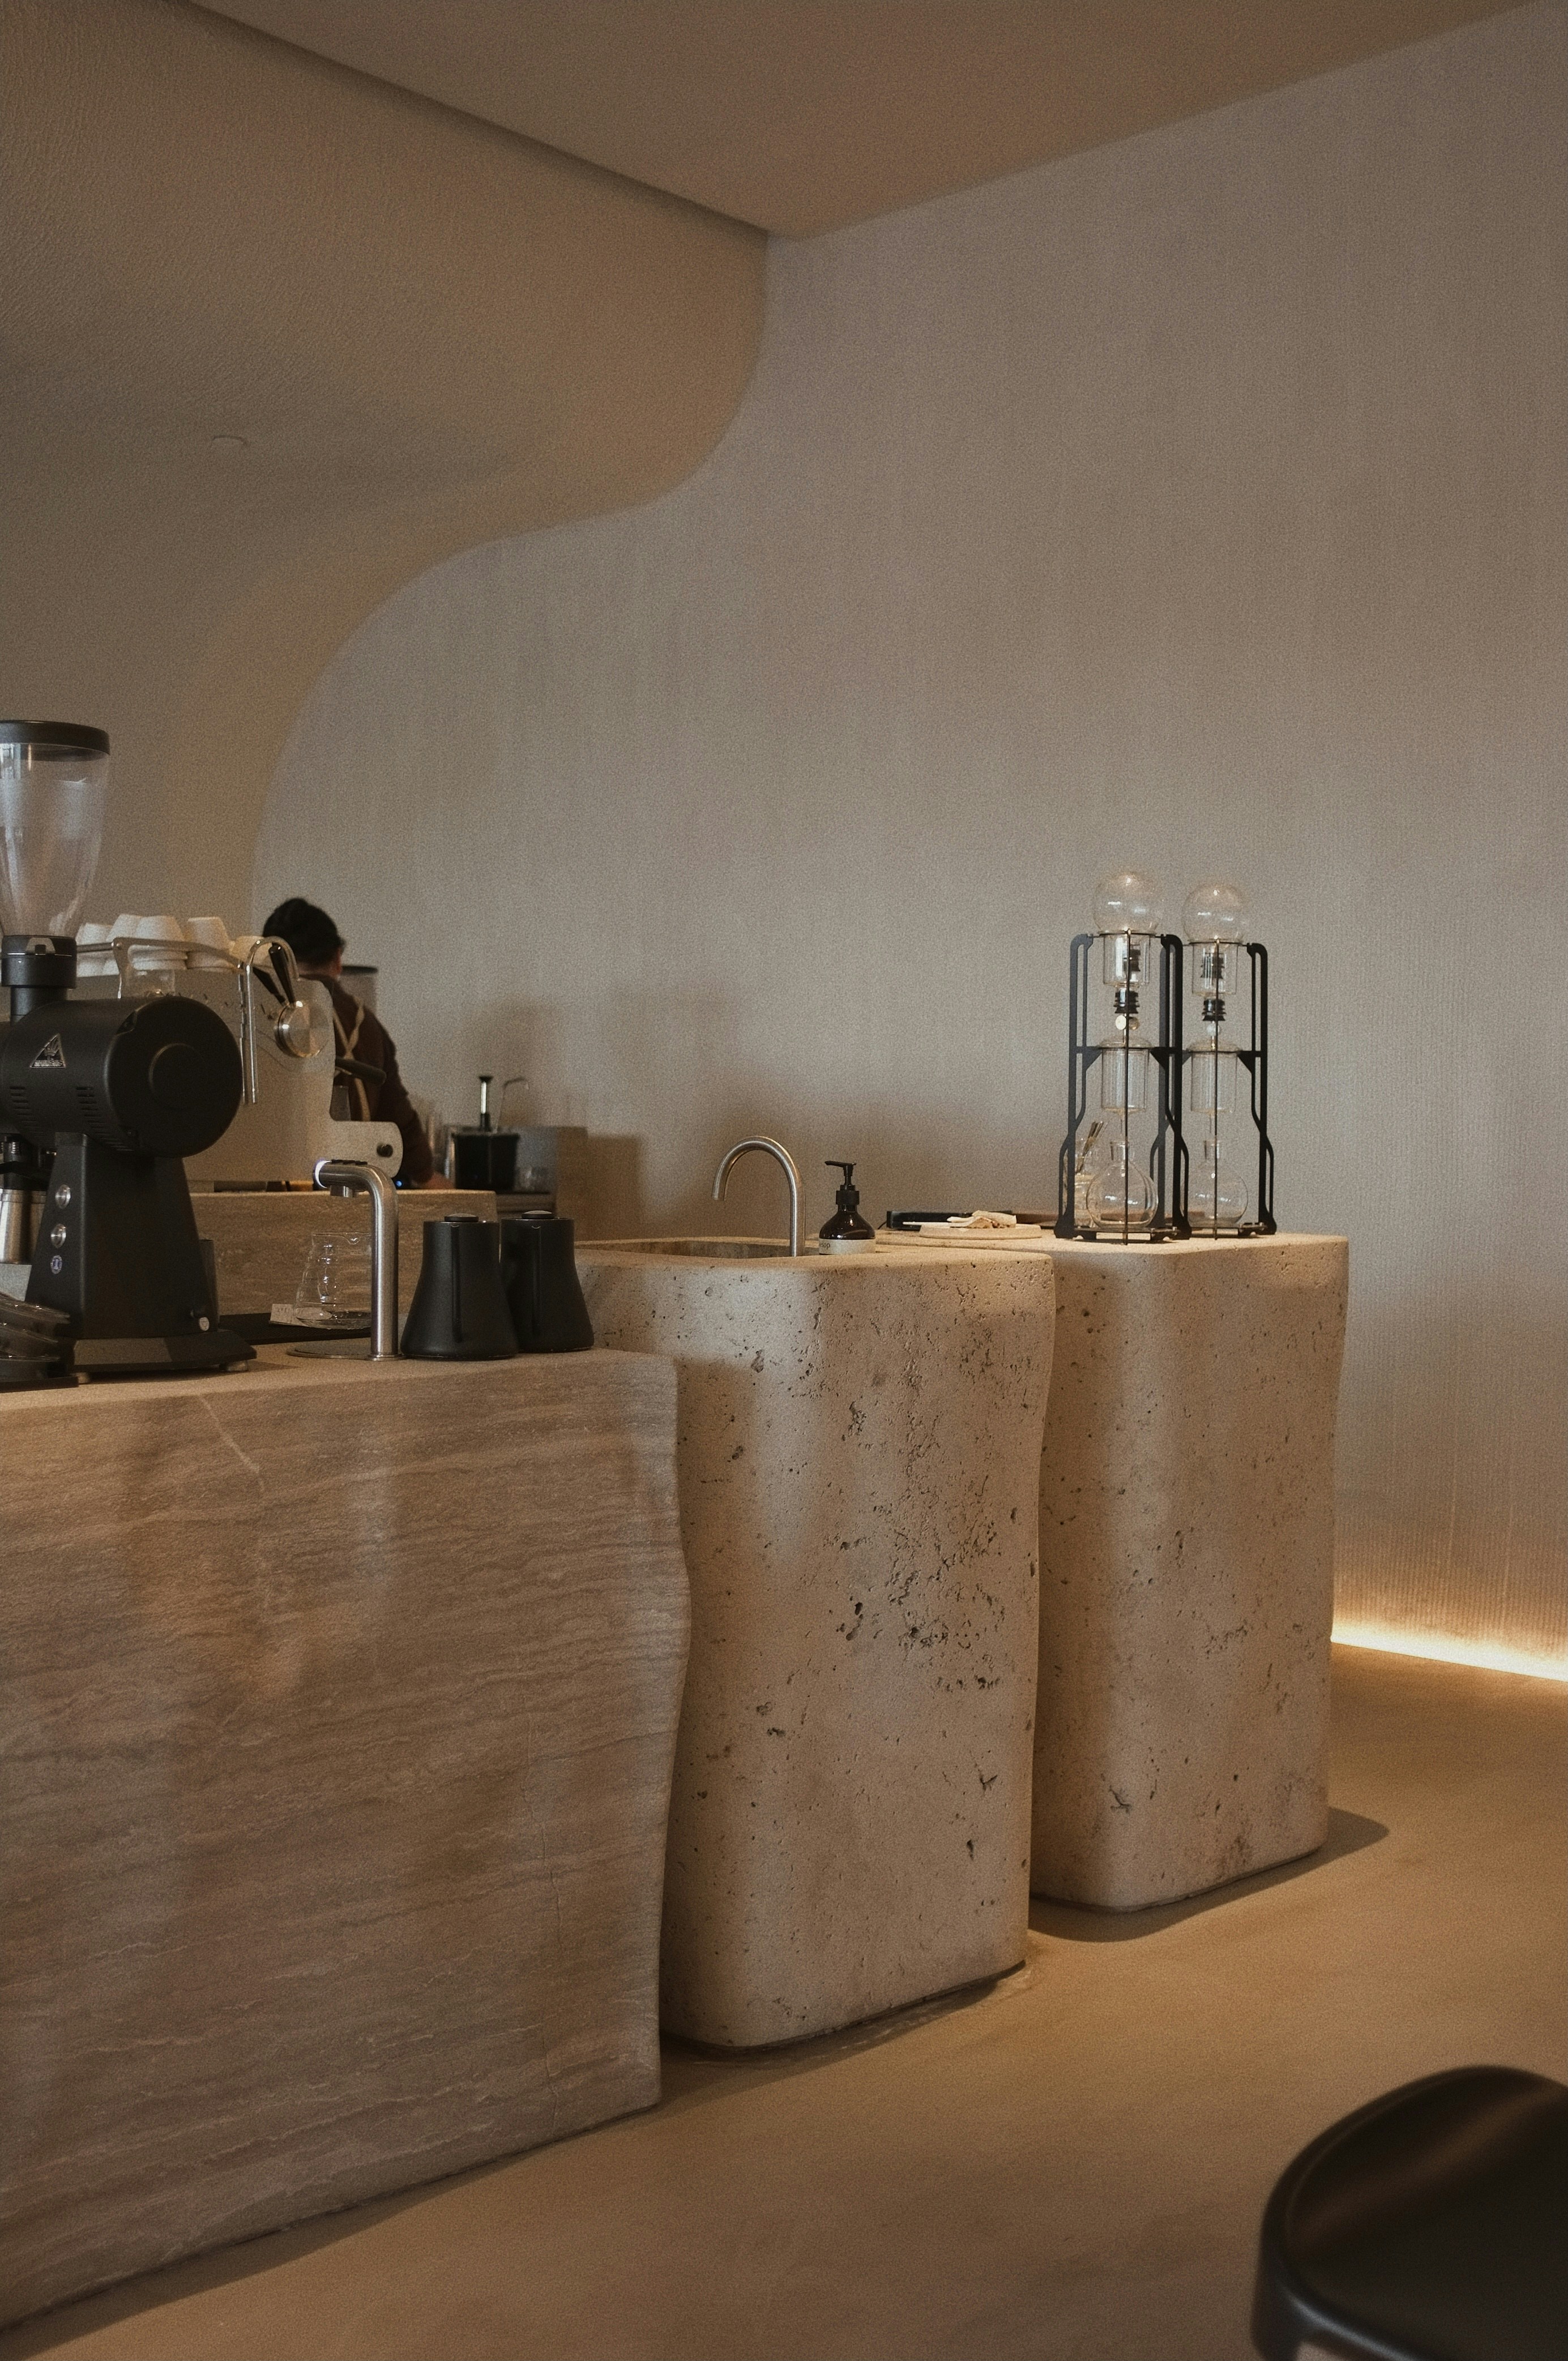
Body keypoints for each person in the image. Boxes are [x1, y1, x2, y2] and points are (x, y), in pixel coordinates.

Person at [260, 897, 442, 1188]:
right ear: (338, 959)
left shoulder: (258, 1014)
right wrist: (431, 1179)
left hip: (272, 1188)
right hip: (352, 1191)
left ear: (268, 960)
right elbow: (398, 1120)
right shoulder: (365, 1024)